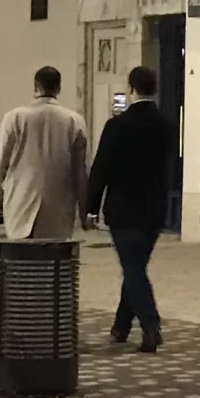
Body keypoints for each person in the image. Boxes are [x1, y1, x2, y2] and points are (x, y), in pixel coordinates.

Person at [84, 64, 176, 351]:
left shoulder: (116, 126)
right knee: (135, 266)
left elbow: (101, 169)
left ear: (131, 89)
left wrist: (90, 207)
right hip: (154, 209)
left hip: (123, 209)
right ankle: (121, 326)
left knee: (133, 268)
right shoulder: (166, 126)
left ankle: (151, 325)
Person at [0, 66, 89, 242]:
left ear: (35, 87)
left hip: (20, 201)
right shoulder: (74, 120)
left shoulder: (14, 117)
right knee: (54, 255)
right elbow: (81, 171)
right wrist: (85, 209)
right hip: (58, 207)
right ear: (58, 88)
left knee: (22, 254)